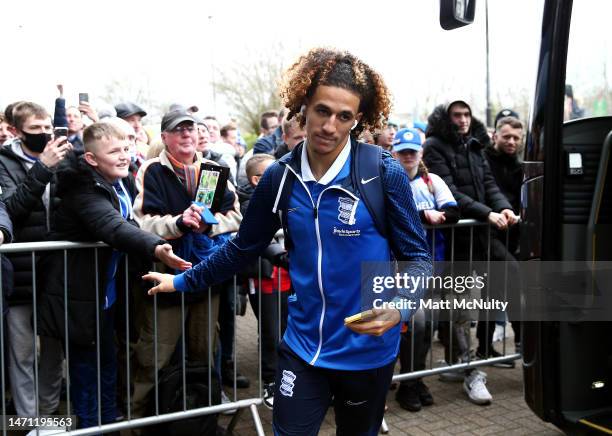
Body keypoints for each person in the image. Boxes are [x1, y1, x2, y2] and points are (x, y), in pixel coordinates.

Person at [143, 47, 431, 435]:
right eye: (322, 111)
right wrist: (181, 280)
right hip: (302, 346)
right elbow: (242, 247)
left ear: (357, 120)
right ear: (303, 108)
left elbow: (418, 257)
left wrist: (400, 308)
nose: (330, 125)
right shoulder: (279, 178)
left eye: (344, 116)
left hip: (366, 350)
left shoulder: (381, 171)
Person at [38, 123, 190, 428]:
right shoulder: (81, 186)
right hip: (78, 298)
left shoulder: (119, 182)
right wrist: (157, 248)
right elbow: (113, 225)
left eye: (126, 149)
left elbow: (129, 222)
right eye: (114, 151)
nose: (123, 156)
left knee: (107, 368)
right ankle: (90, 429)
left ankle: (107, 426)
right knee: (86, 376)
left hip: (105, 297)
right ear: (92, 159)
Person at [130, 108, 242, 418]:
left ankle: (201, 420)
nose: (186, 134)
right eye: (178, 130)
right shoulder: (151, 170)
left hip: (206, 272)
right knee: (155, 353)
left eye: (191, 129)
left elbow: (235, 215)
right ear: (164, 137)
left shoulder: (215, 169)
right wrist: (179, 223)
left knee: (204, 349)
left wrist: (208, 225)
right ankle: (142, 422)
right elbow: (141, 222)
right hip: (165, 272)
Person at [423, 99, 518, 405]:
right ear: (446, 119)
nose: (463, 120)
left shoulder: (475, 144)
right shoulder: (435, 146)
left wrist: (504, 208)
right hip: (457, 240)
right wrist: (486, 213)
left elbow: (488, 183)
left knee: (513, 277)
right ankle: (469, 370)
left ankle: (476, 358)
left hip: (482, 235)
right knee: (461, 308)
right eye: (456, 115)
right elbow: (450, 191)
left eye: (466, 114)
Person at [0, 102, 70, 417]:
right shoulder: (4, 161)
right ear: (15, 131)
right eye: (34, 130)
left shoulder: (63, 155)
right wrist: (43, 166)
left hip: (56, 270)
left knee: (54, 350)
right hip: (20, 271)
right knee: (23, 353)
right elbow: (11, 209)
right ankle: (27, 420)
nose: (43, 135)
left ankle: (50, 411)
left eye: (46, 128)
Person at [392, 128, 459, 412]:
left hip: (432, 264)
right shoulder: (388, 181)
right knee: (415, 323)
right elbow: (389, 216)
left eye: (413, 151)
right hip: (399, 268)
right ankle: (406, 382)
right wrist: (422, 216)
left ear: (420, 154)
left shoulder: (432, 181)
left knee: (429, 324)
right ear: (394, 153)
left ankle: (415, 379)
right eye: (403, 151)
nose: (408, 156)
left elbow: (453, 212)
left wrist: (441, 215)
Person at [236, 153, 290, 408]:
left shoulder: (290, 198)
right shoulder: (249, 204)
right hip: (265, 277)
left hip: (293, 275)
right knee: (271, 332)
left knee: (292, 329)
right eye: (274, 170)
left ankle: (294, 381)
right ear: (257, 179)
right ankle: (271, 382)